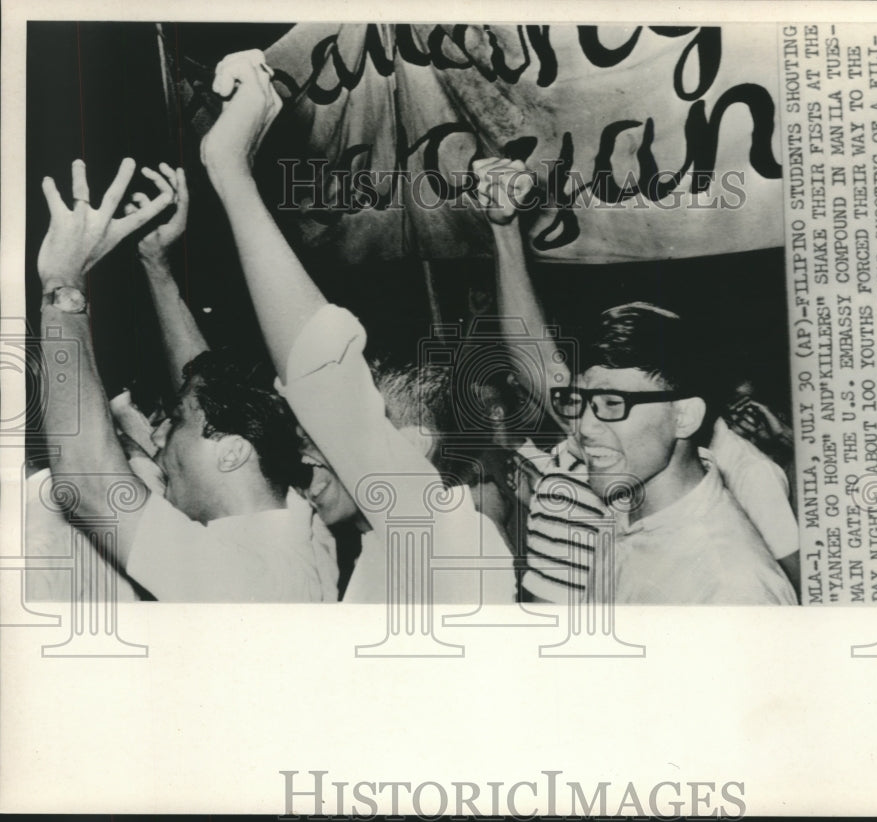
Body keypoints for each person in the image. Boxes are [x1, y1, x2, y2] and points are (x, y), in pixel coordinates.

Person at [199, 50, 515, 605]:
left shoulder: (451, 539)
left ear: (416, 445)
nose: (309, 463)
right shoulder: (381, 552)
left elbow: (323, 373)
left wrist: (230, 170)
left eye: (320, 441)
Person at [472, 157, 798, 604]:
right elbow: (537, 364)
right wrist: (504, 229)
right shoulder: (638, 490)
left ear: (684, 414)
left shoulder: (730, 586)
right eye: (582, 402)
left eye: (609, 403)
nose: (583, 427)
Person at [35, 158, 337, 602]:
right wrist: (155, 262)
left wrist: (63, 282)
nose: (158, 435)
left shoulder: (248, 578)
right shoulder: (297, 526)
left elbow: (89, 485)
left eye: (173, 423)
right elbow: (206, 390)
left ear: (234, 451)